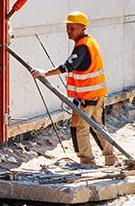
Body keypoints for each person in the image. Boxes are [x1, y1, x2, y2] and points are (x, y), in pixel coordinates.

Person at [32, 12, 114, 166]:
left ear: (82, 28)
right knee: (98, 127)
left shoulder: (83, 46)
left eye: (72, 28)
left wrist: (45, 73)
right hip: (98, 95)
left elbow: (68, 66)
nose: (68, 31)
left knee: (79, 128)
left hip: (87, 97)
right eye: (68, 28)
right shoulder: (90, 42)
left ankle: (87, 161)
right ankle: (111, 158)